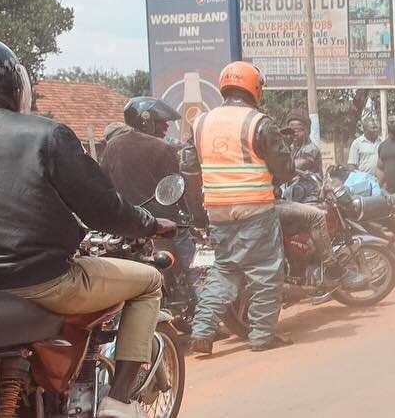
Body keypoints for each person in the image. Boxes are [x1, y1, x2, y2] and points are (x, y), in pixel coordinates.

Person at [0, 35, 175, 418]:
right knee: (149, 281)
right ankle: (119, 403)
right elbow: (103, 209)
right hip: (43, 283)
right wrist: (150, 224)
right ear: (11, 84)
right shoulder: (44, 134)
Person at [188, 61, 296, 354]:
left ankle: (202, 332)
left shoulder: (200, 123)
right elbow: (285, 169)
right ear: (254, 88)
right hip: (255, 209)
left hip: (217, 211)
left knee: (225, 270)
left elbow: (188, 166)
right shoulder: (258, 122)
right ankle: (262, 336)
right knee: (265, 272)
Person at [101, 96, 208, 307]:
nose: (166, 126)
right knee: (195, 269)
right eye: (161, 121)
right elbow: (177, 189)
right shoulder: (162, 148)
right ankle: (206, 319)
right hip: (161, 223)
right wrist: (195, 219)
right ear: (146, 120)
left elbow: (105, 187)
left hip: (126, 225)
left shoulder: (111, 148)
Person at [285, 109, 323, 175]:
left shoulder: (311, 149)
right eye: (291, 130)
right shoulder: (290, 148)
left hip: (309, 184)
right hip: (291, 184)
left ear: (307, 130)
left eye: (298, 130)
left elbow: (297, 165)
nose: (295, 133)